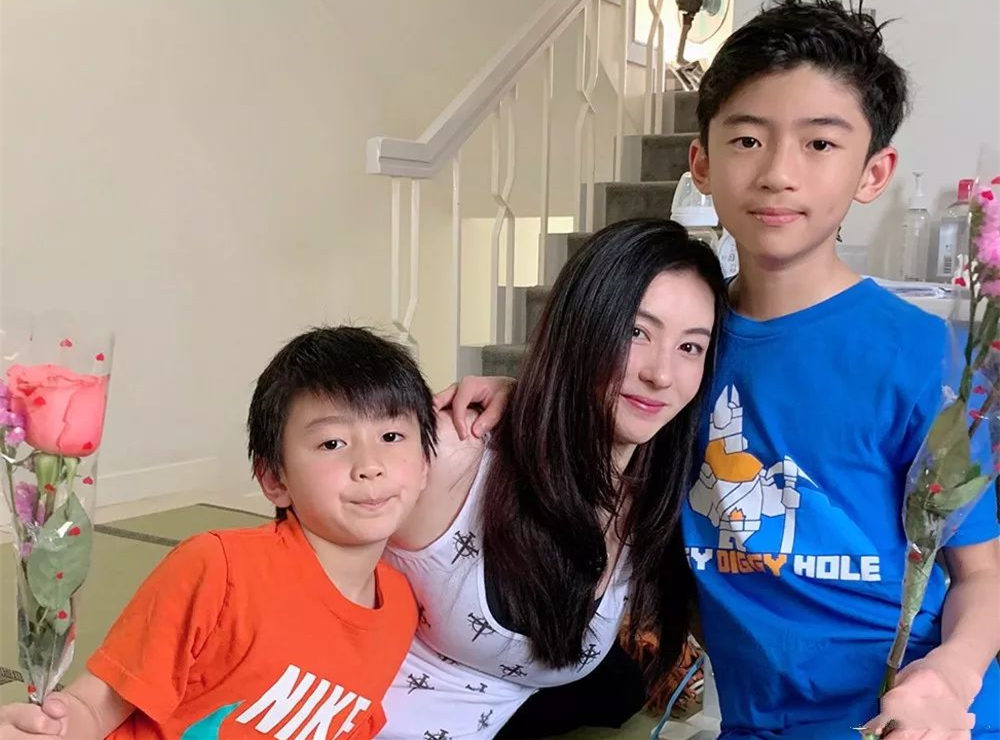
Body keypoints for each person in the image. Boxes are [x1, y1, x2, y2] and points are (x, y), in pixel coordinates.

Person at [437, 2, 1000, 737]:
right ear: (700, 163)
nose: (778, 174)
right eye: (747, 139)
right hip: (753, 719)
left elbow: (982, 573)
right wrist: (535, 393)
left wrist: (950, 678)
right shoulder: (683, 348)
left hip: (916, 720)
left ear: (873, 173)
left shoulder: (929, 358)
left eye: (820, 144)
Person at [378, 218, 727, 738]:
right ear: (579, 327)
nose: (660, 374)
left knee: (621, 689)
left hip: (510, 715)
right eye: (635, 332)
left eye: (690, 347)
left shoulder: (655, 500)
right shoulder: (455, 453)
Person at [0, 326, 436, 740]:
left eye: (391, 435)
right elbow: (95, 708)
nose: (369, 465)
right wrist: (57, 727)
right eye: (332, 443)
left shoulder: (401, 608)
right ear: (274, 479)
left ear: (425, 465)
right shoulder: (221, 569)